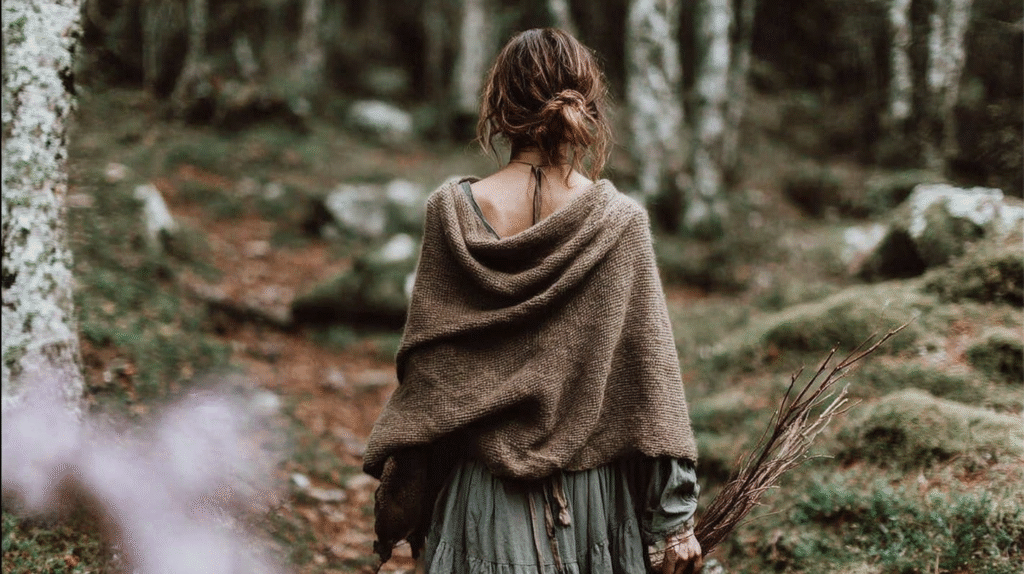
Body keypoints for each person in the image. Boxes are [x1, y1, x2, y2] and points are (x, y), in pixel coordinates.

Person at [363, 28, 703, 574]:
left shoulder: (449, 216)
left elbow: (431, 376)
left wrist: (412, 496)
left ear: (498, 105)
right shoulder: (620, 226)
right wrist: (674, 522)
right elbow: (651, 381)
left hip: (481, 502)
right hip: (593, 506)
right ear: (587, 105)